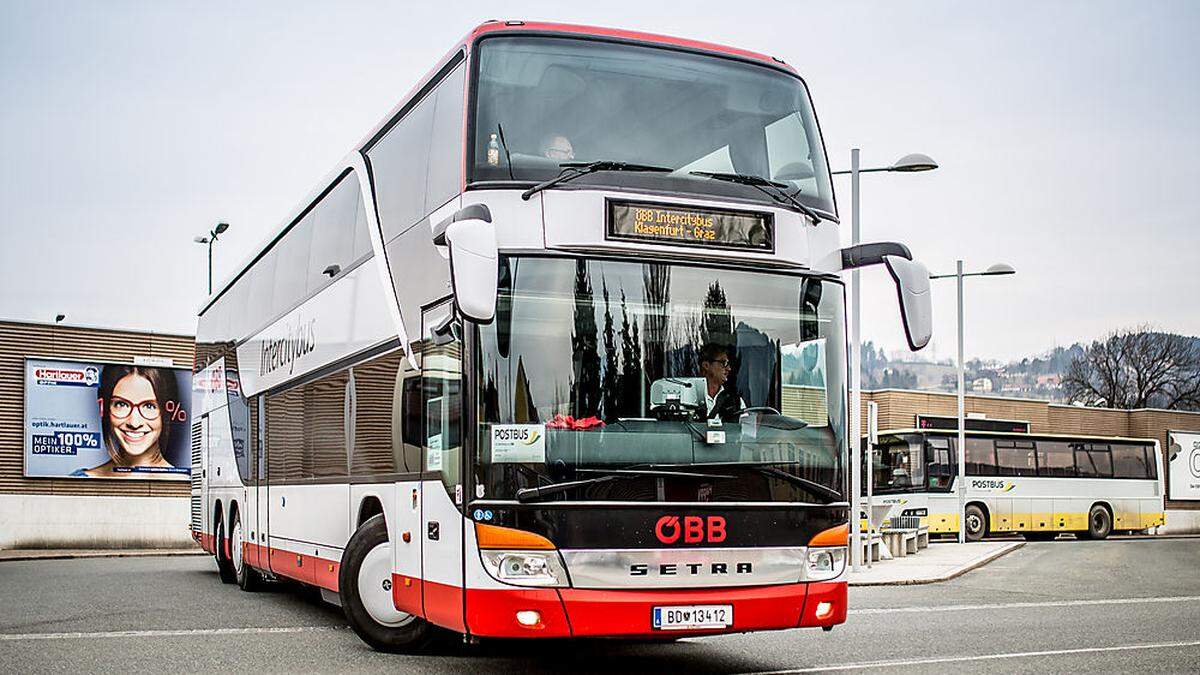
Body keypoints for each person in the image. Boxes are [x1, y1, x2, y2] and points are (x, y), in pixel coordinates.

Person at [77, 365, 180, 479]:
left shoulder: (189, 483)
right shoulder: (79, 480)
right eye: (121, 404)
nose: (134, 423)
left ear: (169, 411)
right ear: (104, 408)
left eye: (149, 406)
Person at [698, 343, 745, 422]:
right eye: (724, 363)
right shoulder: (689, 397)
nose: (729, 369)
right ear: (706, 365)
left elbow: (746, 430)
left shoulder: (735, 401)